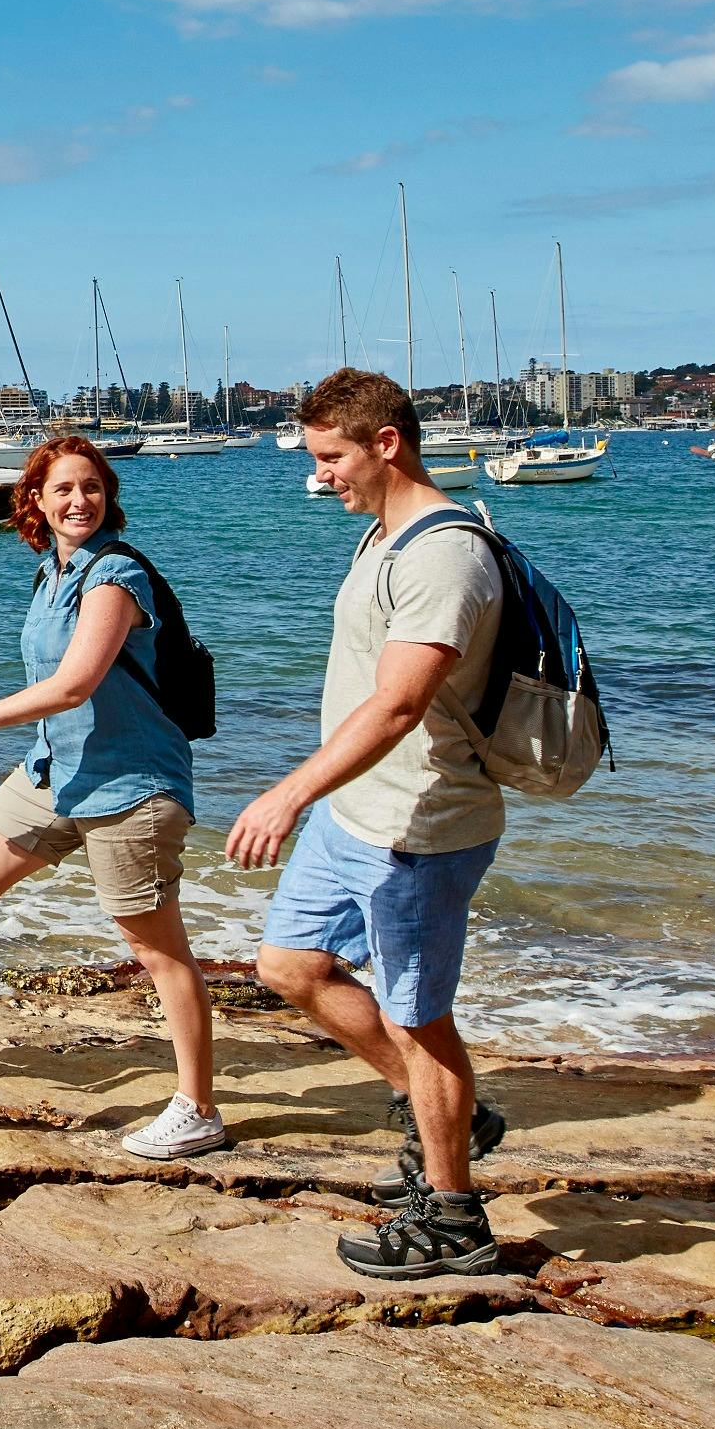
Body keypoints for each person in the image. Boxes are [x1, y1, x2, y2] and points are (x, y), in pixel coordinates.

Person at [0, 431, 226, 1160]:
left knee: (155, 948)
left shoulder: (114, 576)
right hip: (54, 773)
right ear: (36, 501)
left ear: (107, 498)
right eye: (62, 489)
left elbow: (74, 685)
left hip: (130, 783)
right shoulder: (52, 574)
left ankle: (198, 1108)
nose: (78, 499)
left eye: (90, 487)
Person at [224, 366, 513, 1277]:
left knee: (422, 1020)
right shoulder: (384, 537)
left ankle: (454, 1219)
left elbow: (396, 707)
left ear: (386, 444)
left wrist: (287, 792)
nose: (322, 475)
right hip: (359, 814)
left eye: (332, 457)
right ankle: (445, 1119)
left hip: (420, 825)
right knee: (290, 965)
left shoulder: (443, 556)